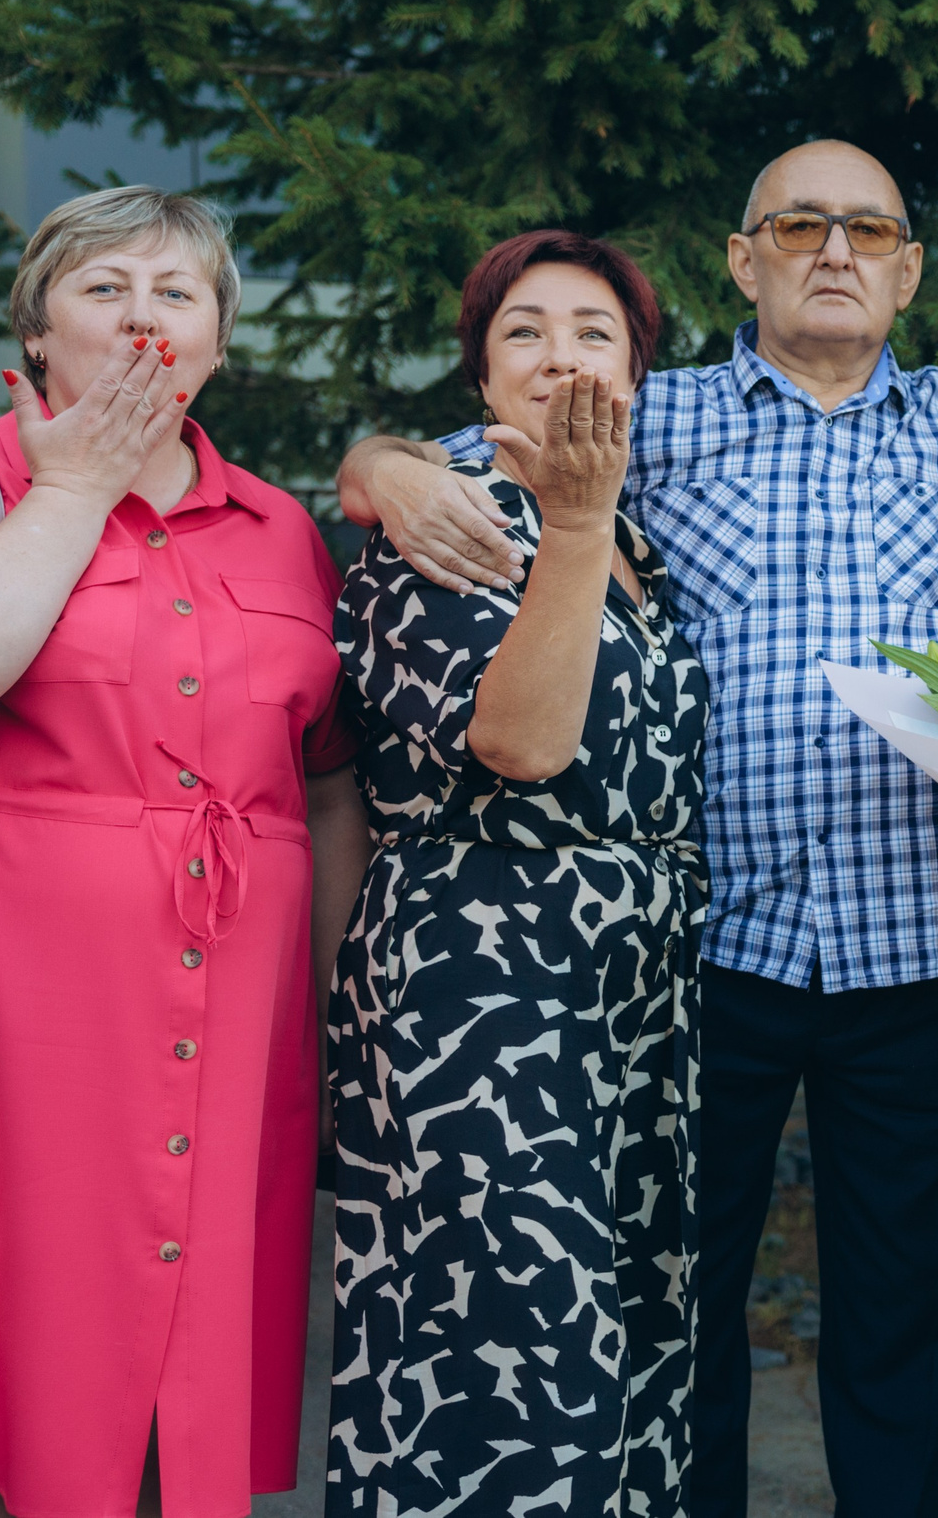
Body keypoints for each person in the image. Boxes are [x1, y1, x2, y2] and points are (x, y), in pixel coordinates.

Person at [334, 141, 938, 1516]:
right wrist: (382, 462)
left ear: (909, 266)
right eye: (800, 224)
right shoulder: (651, 416)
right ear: (743, 257)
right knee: (678, 1317)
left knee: (904, 1328)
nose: (835, 250)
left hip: (923, 942)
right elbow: (480, 465)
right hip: (706, 959)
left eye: (869, 229)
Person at [0, 186, 370, 1517]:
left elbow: (327, 791)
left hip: (236, 1011)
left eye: (177, 291)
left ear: (217, 339)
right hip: (13, 1006)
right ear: (35, 333)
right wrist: (77, 483)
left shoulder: (281, 526)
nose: (144, 314)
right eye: (105, 287)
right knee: (8, 1349)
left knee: (193, 1373)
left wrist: (328, 1004)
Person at [322, 231, 704, 1513]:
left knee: (614, 1344)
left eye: (594, 332)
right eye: (524, 331)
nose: (560, 355)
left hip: (622, 989)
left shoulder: (621, 529)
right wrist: (574, 520)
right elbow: (522, 742)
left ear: (636, 371)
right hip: (483, 987)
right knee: (502, 1358)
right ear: (482, 374)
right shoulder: (449, 512)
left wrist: (592, 519)